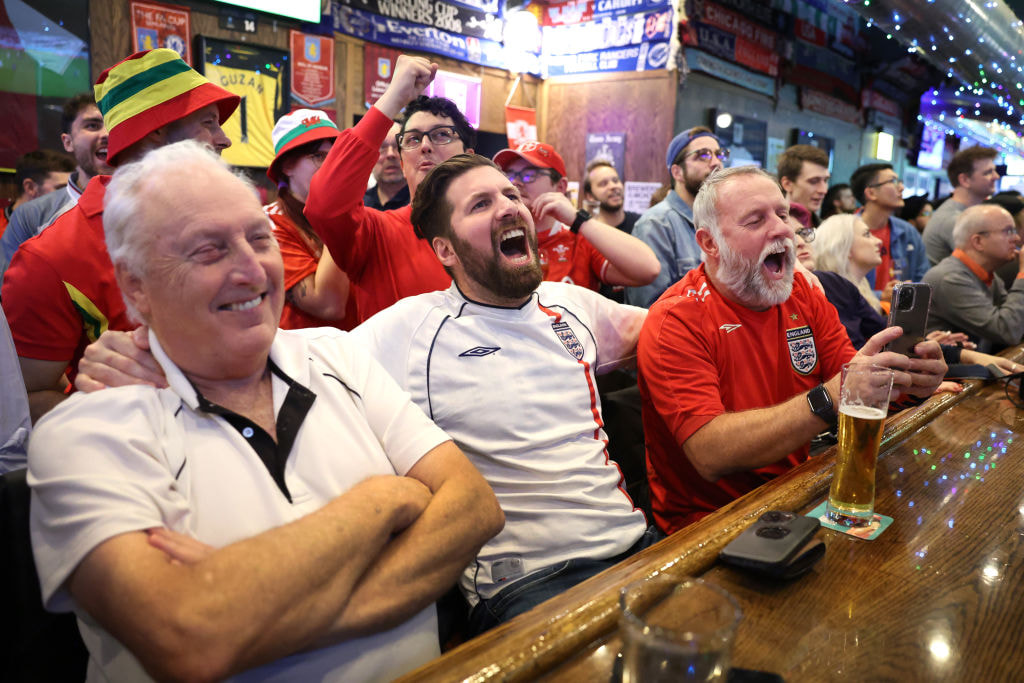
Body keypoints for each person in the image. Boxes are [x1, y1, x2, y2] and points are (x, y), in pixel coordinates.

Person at [77, 153, 661, 639]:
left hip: (642, 543)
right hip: (531, 584)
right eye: (481, 204)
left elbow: (668, 322)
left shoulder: (573, 304)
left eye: (511, 195)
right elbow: (264, 348)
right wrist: (143, 349)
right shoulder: (407, 328)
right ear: (446, 253)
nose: (509, 207)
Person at [28, 140, 502, 682]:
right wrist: (386, 500)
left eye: (260, 238)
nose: (252, 270)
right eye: (209, 250)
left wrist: (250, 618)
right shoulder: (86, 431)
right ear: (136, 285)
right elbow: (189, 641)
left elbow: (476, 508)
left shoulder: (336, 353)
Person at [637, 166, 946, 532]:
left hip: (799, 492)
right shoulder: (677, 319)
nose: (783, 229)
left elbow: (852, 383)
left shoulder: (803, 294)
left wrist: (907, 379)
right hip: (710, 526)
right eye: (756, 221)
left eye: (782, 215)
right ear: (709, 243)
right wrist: (832, 396)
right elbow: (710, 453)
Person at [1, 48, 238, 422]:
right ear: (158, 131)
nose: (223, 139)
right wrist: (122, 418)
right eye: (209, 122)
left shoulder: (229, 220)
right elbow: (24, 399)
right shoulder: (51, 258)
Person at [304, 55, 456, 323]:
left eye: (442, 134)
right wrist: (393, 98)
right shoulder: (377, 234)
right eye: (412, 139)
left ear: (469, 154)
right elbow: (324, 206)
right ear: (403, 161)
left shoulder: (495, 226)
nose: (425, 146)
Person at [493, 141, 659, 291]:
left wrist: (578, 219)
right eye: (510, 175)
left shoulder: (580, 239)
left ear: (560, 187)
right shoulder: (497, 236)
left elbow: (649, 270)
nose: (516, 183)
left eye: (529, 174)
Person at [264, 109, 359, 330]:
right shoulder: (269, 224)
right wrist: (337, 212)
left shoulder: (356, 211)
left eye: (335, 156)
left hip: (358, 350)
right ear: (287, 166)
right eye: (319, 156)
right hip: (306, 357)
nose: (332, 166)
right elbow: (328, 306)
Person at [0, 94, 113, 279]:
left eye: (114, 123)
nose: (107, 134)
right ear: (68, 142)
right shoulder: (31, 216)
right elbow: (8, 295)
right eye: (92, 125)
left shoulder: (152, 205)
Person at [627, 126, 726, 307]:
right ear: (677, 172)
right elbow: (651, 309)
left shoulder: (724, 220)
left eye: (719, 155)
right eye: (703, 155)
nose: (715, 163)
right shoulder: (655, 224)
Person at [923, 203, 1024, 352]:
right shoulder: (950, 278)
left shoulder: (985, 273)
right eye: (1008, 231)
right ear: (978, 242)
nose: (1016, 238)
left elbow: (1017, 321)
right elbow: (1007, 331)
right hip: (950, 373)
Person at [849, 163, 929, 296]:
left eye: (900, 181)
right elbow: (840, 288)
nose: (901, 187)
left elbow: (923, 279)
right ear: (871, 193)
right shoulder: (846, 232)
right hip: (861, 313)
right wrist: (880, 296)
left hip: (901, 312)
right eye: (893, 181)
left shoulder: (908, 232)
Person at [923, 145, 1000, 265]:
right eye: (988, 172)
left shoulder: (964, 214)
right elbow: (984, 264)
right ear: (965, 180)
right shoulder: (953, 219)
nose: (996, 176)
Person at [814, 213, 886, 315]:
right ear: (843, 246)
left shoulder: (860, 287)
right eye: (867, 235)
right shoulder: (834, 298)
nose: (879, 241)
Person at [1, 150, 73, 237]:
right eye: (61, 189)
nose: (71, 196)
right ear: (30, 187)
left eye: (72, 189)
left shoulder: (69, 226)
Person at [776, 144, 830, 224]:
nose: (823, 190)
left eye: (825, 180)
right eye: (814, 181)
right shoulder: (773, 229)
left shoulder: (825, 229)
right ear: (787, 184)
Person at [582, 159, 639, 234]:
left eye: (615, 181)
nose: (613, 186)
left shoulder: (639, 224)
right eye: (603, 184)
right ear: (590, 196)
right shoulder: (587, 231)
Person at [363, 121, 410, 210]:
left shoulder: (424, 203)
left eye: (398, 147)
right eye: (382, 147)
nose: (390, 154)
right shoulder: (361, 206)